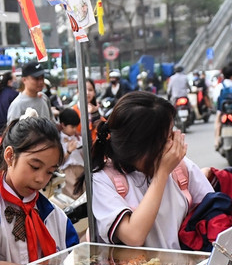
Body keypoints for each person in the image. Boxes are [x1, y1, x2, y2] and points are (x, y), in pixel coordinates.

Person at [90, 91, 213, 249]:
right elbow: (133, 235)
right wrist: (161, 173)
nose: (175, 139)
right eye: (168, 136)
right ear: (143, 147)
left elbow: (213, 209)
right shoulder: (104, 179)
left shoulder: (180, 168)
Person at [0, 114, 78, 265]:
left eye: (49, 172)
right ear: (10, 156)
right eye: (35, 166)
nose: (41, 179)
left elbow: (75, 257)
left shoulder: (54, 216)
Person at [57, 107, 86, 196]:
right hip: (67, 171)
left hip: (82, 169)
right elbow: (58, 162)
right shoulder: (58, 140)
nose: (75, 130)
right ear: (63, 125)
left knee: (87, 196)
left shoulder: (78, 137)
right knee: (74, 196)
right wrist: (69, 151)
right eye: (72, 127)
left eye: (76, 127)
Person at [0, 71, 17, 140]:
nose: (16, 81)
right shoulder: (14, 94)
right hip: (9, 129)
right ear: (9, 82)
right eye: (15, 79)